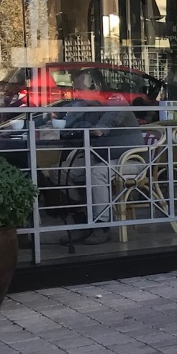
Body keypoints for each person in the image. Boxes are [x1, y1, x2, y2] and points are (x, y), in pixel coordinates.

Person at [61, 82, 146, 243]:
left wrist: (77, 126)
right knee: (60, 171)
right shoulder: (85, 106)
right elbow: (65, 125)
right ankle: (83, 220)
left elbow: (99, 130)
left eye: (79, 88)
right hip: (101, 157)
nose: (75, 92)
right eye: (74, 88)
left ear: (96, 89)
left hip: (130, 160)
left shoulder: (116, 102)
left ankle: (102, 225)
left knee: (97, 172)